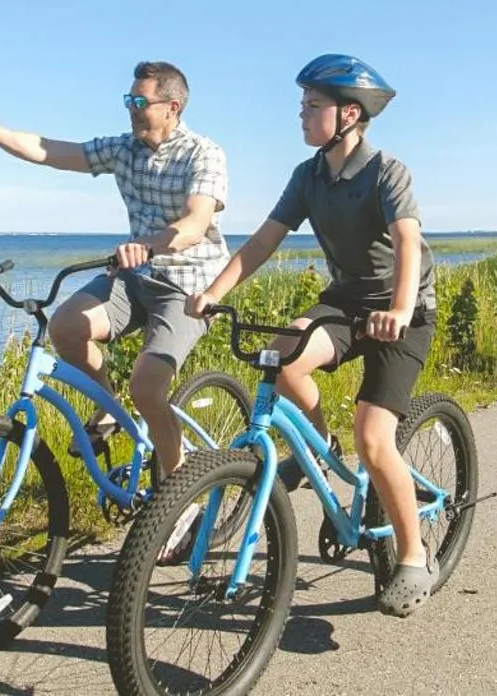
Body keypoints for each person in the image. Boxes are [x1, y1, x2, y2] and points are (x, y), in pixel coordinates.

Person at [187, 54, 441, 618]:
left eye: (312, 106)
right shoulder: (308, 177)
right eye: (301, 105)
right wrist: (214, 292)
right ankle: (322, 451)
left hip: (404, 313)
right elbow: (261, 242)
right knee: (281, 354)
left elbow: (406, 242)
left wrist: (399, 308)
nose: (301, 115)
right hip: (349, 302)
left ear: (349, 114)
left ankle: (415, 557)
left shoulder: (386, 172)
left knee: (375, 439)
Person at [0, 61, 228, 477]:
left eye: (140, 101)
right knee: (66, 327)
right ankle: (110, 411)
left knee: (148, 387)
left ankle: (177, 493)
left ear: (172, 106)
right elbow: (45, 150)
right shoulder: (123, 150)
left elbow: (194, 224)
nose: (131, 108)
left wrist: (147, 245)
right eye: (128, 100)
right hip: (136, 277)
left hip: (187, 286)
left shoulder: (203, 154)